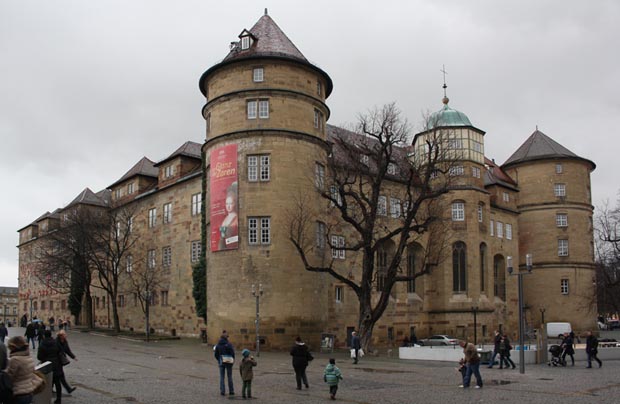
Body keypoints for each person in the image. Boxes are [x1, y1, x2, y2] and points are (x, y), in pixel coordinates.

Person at [6, 336, 43, 404]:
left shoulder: (15, 359)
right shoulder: (28, 358)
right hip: (28, 392)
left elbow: (9, 377)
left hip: (18, 393)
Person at [38, 330, 63, 404]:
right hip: (56, 365)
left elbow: (39, 356)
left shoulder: (42, 344)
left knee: (48, 383)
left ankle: (47, 398)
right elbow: (60, 351)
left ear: (44, 335)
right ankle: (59, 399)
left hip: (46, 365)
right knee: (57, 383)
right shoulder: (56, 342)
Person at [218, 183, 238, 250]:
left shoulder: (236, 218)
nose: (228, 206)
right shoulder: (225, 219)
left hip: (233, 248)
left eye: (231, 203)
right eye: (227, 204)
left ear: (234, 204)